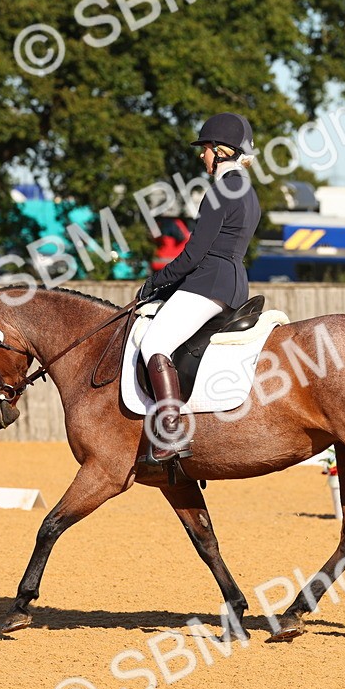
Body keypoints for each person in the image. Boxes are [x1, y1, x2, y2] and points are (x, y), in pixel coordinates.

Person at [136, 112, 262, 463]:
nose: (201, 156)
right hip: (234, 284)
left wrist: (155, 282)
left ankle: (171, 431)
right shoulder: (248, 191)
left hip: (209, 283)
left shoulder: (221, 189)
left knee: (154, 342)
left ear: (222, 150)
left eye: (205, 149)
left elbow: (193, 254)